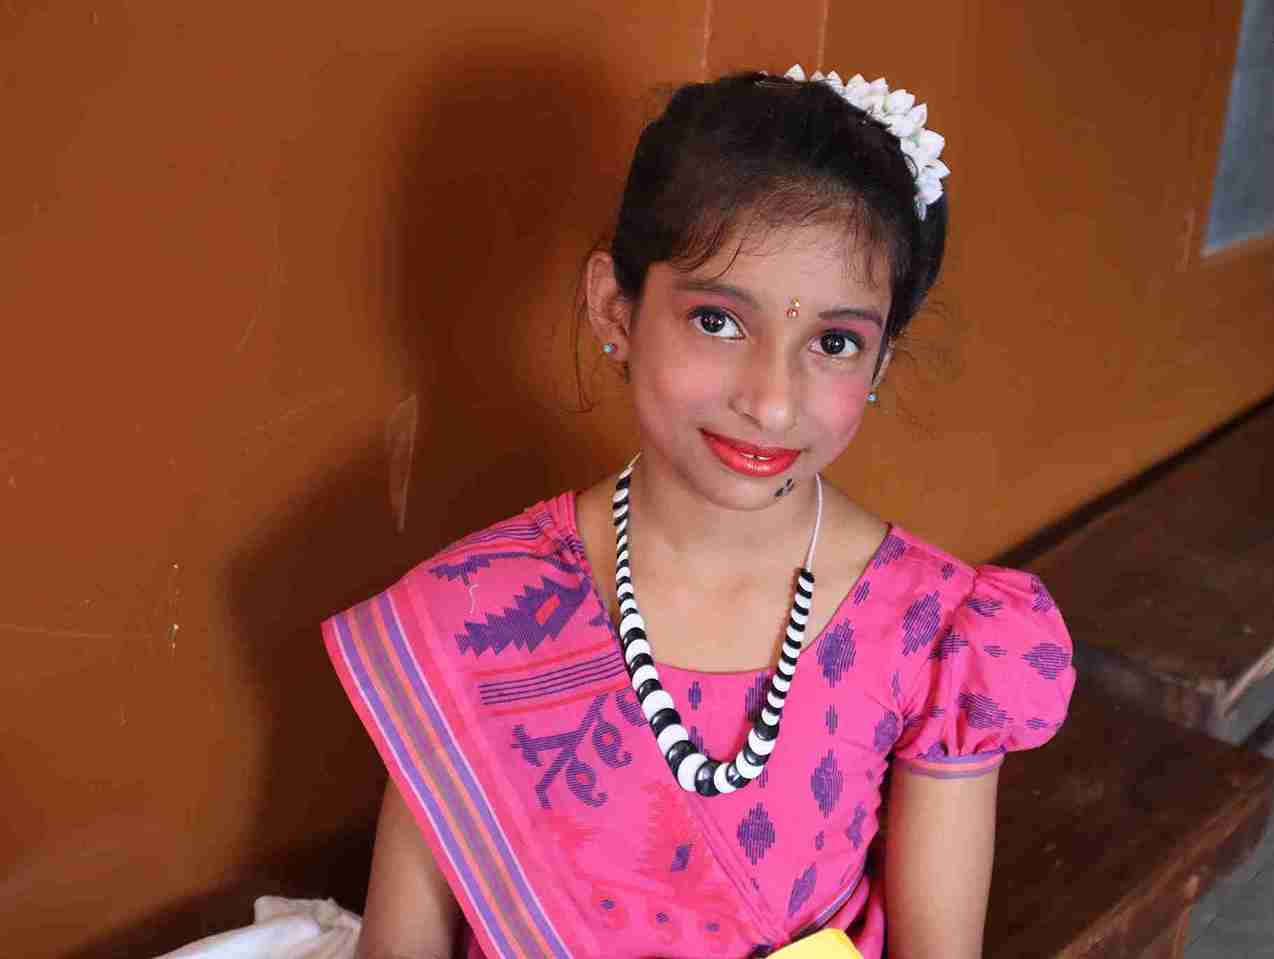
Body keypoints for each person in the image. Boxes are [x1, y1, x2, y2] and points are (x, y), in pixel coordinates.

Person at [323, 65, 1076, 959]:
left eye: (835, 342)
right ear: (616, 308)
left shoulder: (932, 630)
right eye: (719, 321)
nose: (771, 401)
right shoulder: (475, 616)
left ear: (880, 363)